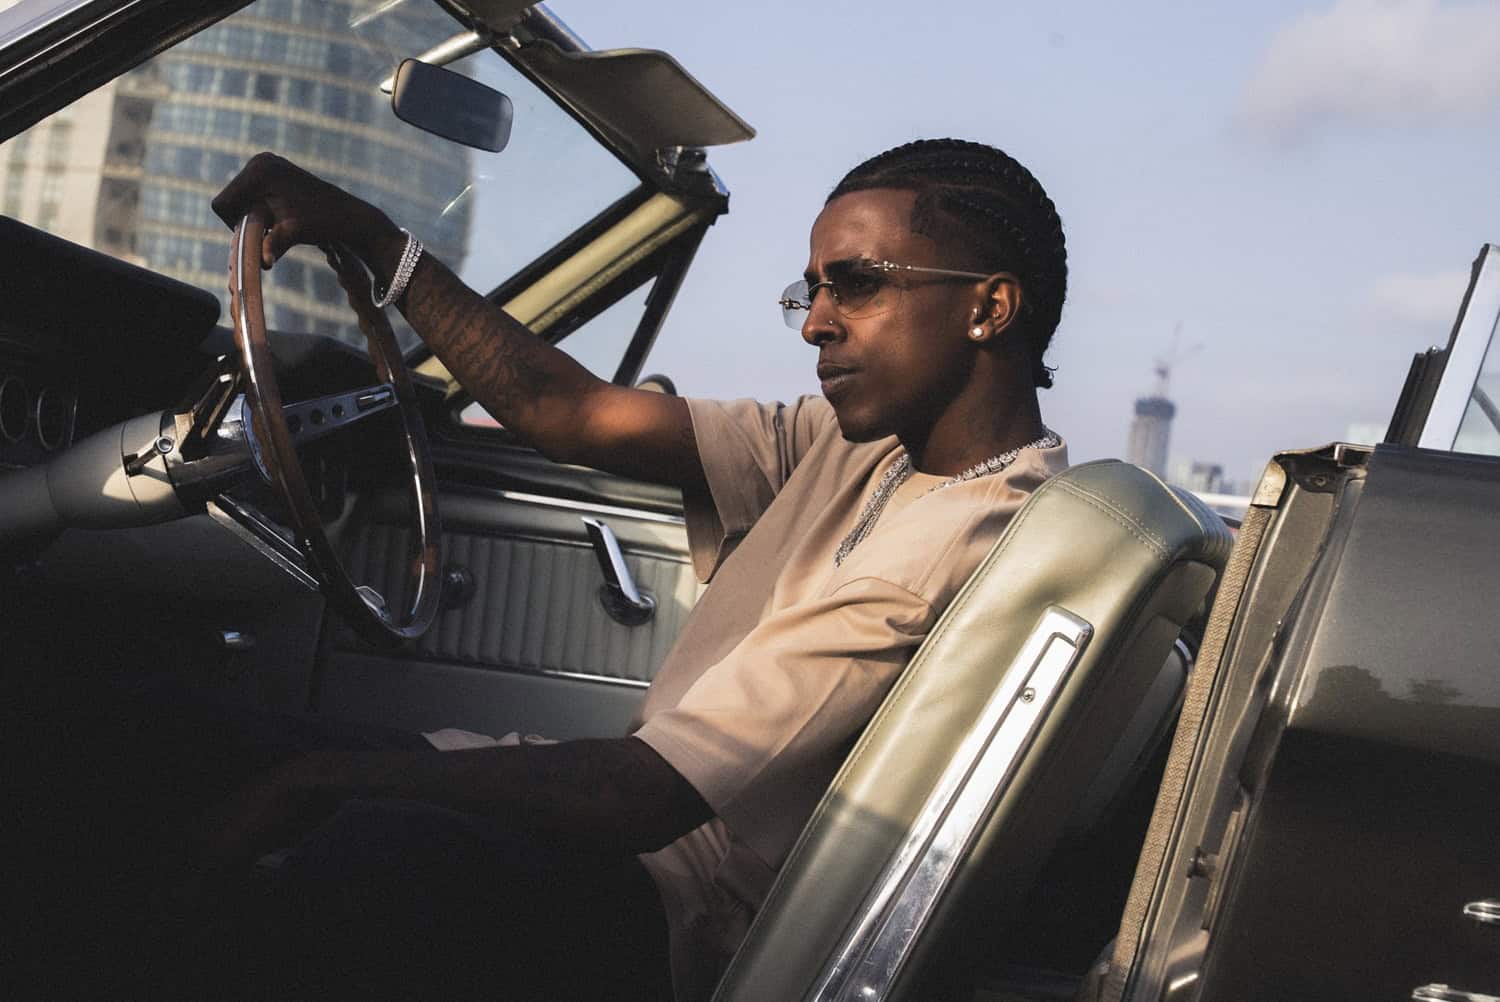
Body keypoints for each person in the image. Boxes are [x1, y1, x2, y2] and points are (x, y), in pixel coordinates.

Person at [196, 138, 1071, 1001]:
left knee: (347, 849)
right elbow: (569, 411)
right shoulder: (866, 446)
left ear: (989, 308)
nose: (815, 322)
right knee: (199, 741)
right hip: (637, 836)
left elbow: (641, 797)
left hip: (675, 907)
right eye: (811, 291)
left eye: (859, 284)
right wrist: (380, 242)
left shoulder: (961, 544)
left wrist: (328, 779)